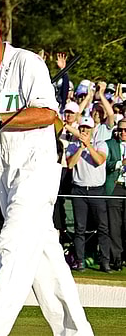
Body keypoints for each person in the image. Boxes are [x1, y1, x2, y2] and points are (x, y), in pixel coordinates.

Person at [0, 10, 91, 336]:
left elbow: (46, 114)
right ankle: (77, 333)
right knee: (46, 265)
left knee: (12, 243)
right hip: (3, 174)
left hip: (35, 169)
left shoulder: (28, 63)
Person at [65, 116, 111, 272]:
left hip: (97, 190)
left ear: (92, 130)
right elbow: (70, 164)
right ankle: (79, 261)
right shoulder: (72, 146)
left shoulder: (101, 144)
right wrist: (81, 148)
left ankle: (105, 262)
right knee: (80, 228)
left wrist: (89, 146)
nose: (84, 131)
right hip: (79, 189)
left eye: (87, 129)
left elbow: (99, 160)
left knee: (103, 227)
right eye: (82, 128)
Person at [106, 120, 126, 271]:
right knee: (114, 225)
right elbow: (105, 163)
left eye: (125, 130)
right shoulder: (110, 144)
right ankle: (116, 257)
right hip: (115, 186)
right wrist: (120, 163)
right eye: (120, 130)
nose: (122, 132)